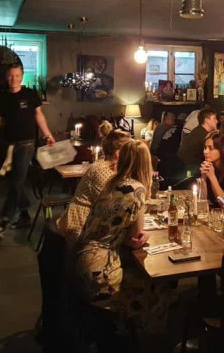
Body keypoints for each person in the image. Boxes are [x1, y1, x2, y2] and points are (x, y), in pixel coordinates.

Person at [76, 140, 172, 339]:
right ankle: (144, 336)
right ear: (145, 164)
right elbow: (136, 237)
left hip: (81, 258)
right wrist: (143, 237)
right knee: (158, 284)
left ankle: (123, 331)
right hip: (100, 270)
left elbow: (116, 232)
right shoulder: (138, 190)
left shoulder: (112, 183)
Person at [0, 63, 55, 237]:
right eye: (11, 75)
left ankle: (4, 221)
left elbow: (39, 115)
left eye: (17, 75)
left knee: (17, 181)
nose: (14, 79)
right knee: (13, 180)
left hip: (27, 144)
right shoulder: (2, 97)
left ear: (22, 76)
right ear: (6, 77)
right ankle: (24, 213)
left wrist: (47, 134)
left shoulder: (30, 94)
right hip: (8, 144)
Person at [57, 130, 131, 247]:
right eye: (129, 151)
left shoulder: (109, 166)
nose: (132, 155)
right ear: (118, 153)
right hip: (81, 225)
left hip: (92, 221)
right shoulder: (103, 170)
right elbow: (111, 205)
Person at [178, 108, 217, 173]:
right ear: (207, 120)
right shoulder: (204, 135)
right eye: (214, 118)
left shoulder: (198, 130)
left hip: (184, 167)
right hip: (190, 170)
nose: (217, 121)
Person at [150, 112, 182, 187]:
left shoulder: (168, 128)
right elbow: (155, 144)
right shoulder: (161, 127)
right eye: (172, 119)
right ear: (166, 119)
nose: (174, 121)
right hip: (158, 156)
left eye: (174, 119)